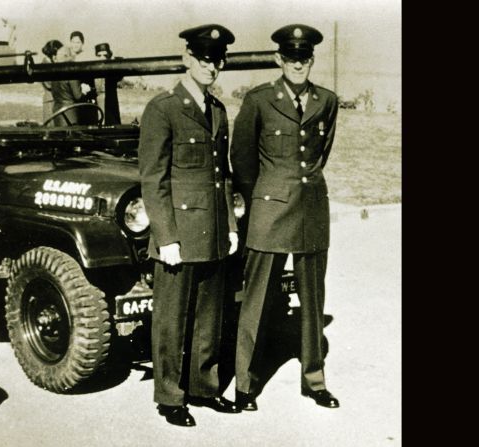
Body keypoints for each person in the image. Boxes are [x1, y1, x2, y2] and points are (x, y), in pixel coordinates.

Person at [230, 24, 340, 411]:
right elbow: (241, 159)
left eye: (304, 58)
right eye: (291, 57)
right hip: (270, 210)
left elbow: (320, 153)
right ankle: (246, 383)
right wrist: (259, 199)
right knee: (257, 301)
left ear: (311, 60)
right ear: (279, 59)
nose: (298, 64)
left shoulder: (326, 100)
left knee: (312, 301)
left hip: (311, 211)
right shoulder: (260, 99)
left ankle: (314, 380)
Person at [138, 24, 241, 427]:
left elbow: (224, 175)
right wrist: (166, 236)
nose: (211, 66)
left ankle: (204, 387)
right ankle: (169, 395)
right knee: (171, 319)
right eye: (203, 58)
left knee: (209, 318)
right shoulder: (162, 108)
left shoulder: (218, 110)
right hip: (178, 236)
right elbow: (153, 178)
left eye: (217, 60)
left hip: (213, 231)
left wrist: (230, 225)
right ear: (187, 59)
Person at [49, 51, 92, 125]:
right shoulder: (72, 74)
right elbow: (78, 96)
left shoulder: (54, 73)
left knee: (60, 134)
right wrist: (86, 91)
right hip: (70, 110)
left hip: (57, 109)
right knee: (72, 134)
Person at [94, 42, 122, 125]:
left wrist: (112, 59)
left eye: (105, 55)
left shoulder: (111, 70)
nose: (102, 58)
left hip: (110, 106)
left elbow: (121, 63)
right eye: (99, 55)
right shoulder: (92, 70)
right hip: (96, 106)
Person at [41, 40, 64, 122]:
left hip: (52, 100)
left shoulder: (47, 64)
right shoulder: (45, 66)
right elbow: (49, 84)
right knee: (51, 130)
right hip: (50, 101)